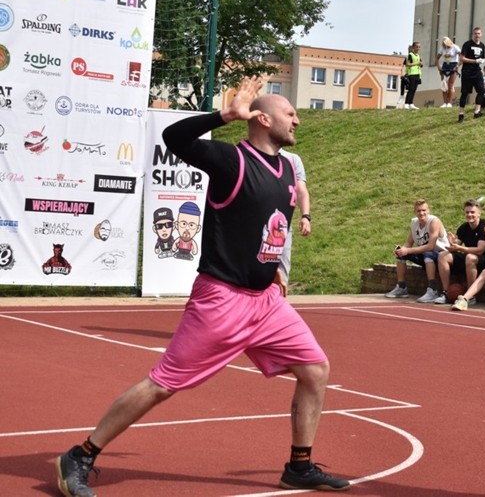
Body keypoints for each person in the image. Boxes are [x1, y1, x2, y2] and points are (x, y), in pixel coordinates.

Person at [55, 77, 350, 497]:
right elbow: (174, 136)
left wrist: (274, 271)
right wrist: (224, 115)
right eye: (290, 113)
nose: (297, 120)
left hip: (266, 301)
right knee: (162, 385)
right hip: (222, 299)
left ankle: (299, 467)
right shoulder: (231, 161)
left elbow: (271, 227)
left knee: (315, 369)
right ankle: (80, 455)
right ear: (263, 119)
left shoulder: (287, 168)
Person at [385, 199, 449, 303]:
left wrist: (408, 250)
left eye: (424, 210)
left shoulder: (434, 222)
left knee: (428, 254)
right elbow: (409, 243)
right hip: (423, 254)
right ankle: (402, 288)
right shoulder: (414, 222)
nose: (421, 213)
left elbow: (431, 246)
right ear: (415, 212)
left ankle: (432, 290)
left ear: (428, 210)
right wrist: (401, 250)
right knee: (401, 255)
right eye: (419, 211)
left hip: (440, 256)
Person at [433, 199, 485, 305]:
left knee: (470, 257)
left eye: (472, 212)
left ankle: (470, 296)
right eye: (467, 212)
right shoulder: (463, 227)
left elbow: (480, 250)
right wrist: (451, 243)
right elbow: (455, 246)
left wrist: (460, 248)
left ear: (479, 213)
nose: (469, 215)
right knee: (442, 256)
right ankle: (446, 292)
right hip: (468, 257)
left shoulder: (484, 226)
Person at [279, 149, 311, 289]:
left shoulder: (292, 159)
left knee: (282, 273)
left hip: (283, 225)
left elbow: (301, 190)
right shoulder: (248, 155)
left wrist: (306, 216)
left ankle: (277, 305)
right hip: (255, 225)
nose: (295, 125)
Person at [457, 27, 485, 123]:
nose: (477, 35)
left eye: (478, 33)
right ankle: (461, 114)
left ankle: (477, 111)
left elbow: (482, 58)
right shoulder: (467, 44)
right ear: (472, 34)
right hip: (467, 72)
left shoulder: (482, 45)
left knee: (481, 91)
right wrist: (474, 61)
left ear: (481, 34)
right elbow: (462, 58)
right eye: (475, 33)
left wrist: (481, 61)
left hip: (477, 71)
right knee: (465, 93)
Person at [435, 36, 461, 108]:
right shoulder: (442, 48)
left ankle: (450, 102)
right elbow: (437, 58)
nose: (445, 45)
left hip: (453, 65)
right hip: (445, 65)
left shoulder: (455, 47)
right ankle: (445, 102)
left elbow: (461, 56)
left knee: (450, 84)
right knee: (444, 85)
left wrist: (457, 65)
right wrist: (439, 67)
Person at [402, 41, 423, 109]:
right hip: (412, 73)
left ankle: (411, 103)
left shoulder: (418, 55)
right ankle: (406, 103)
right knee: (411, 89)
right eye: (417, 47)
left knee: (414, 89)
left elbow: (419, 63)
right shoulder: (410, 55)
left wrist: (420, 64)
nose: (418, 48)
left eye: (419, 47)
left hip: (417, 73)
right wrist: (417, 63)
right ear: (413, 47)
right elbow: (408, 64)